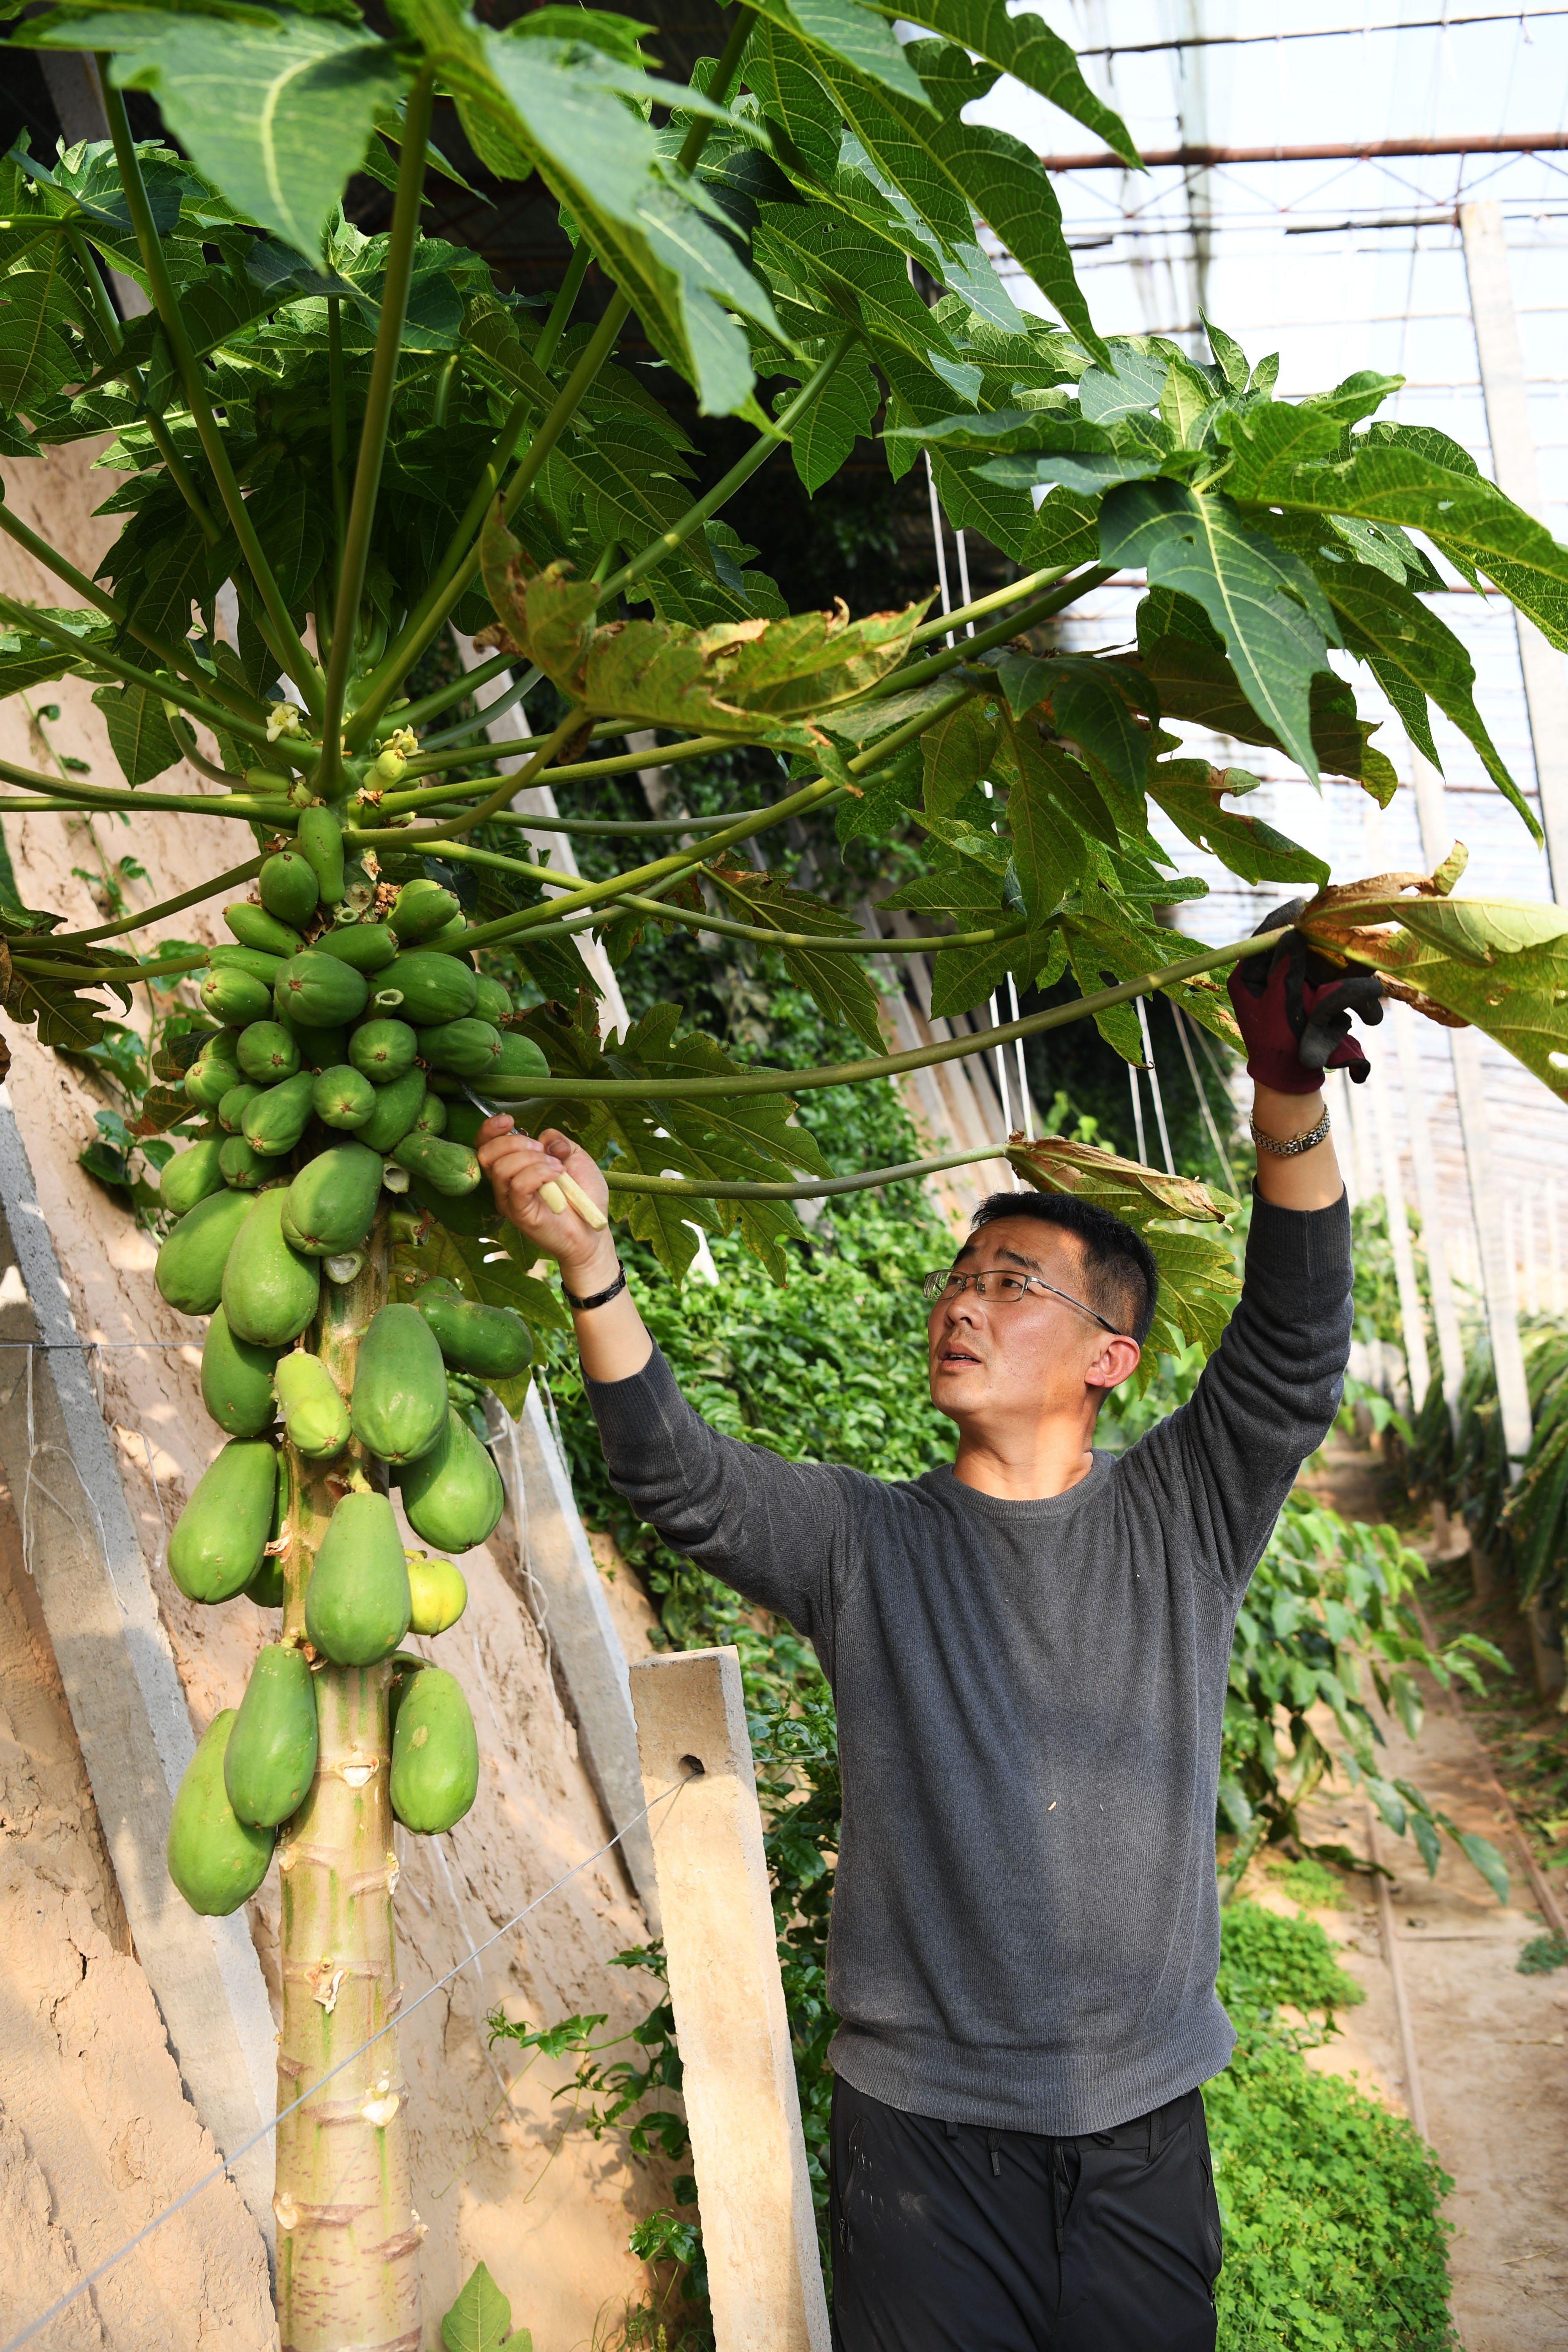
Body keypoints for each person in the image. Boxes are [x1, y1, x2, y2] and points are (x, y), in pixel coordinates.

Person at [476, 912, 1382, 2352]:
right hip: (927, 2147)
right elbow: (675, 1474)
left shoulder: (1183, 1515)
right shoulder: (862, 1540)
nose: (964, 1299)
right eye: (959, 1278)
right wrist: (591, 1266)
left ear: (1108, 1359)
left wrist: (1286, 1099)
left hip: (1145, 2130)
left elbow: (1291, 1347)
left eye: (1012, 1282)